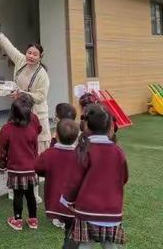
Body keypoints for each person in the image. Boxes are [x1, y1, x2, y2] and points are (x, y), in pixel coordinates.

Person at [62, 104, 128, 248]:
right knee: (110, 245)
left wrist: (67, 200)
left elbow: (74, 180)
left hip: (87, 210)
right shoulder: (118, 151)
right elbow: (124, 178)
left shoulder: (84, 150)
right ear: (109, 125)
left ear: (86, 125)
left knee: (85, 245)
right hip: (112, 211)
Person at [0, 23, 51, 153]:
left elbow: (41, 97)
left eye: (35, 54)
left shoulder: (42, 75)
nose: (31, 56)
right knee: (22, 143)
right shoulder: (21, 60)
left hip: (37, 114)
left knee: (39, 147)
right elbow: (9, 47)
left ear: (40, 57)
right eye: (29, 53)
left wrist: (21, 93)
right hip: (20, 110)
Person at [0, 97, 41, 231]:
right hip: (30, 169)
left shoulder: (6, 129)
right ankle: (33, 220)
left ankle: (17, 220)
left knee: (17, 195)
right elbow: (35, 149)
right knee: (30, 195)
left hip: (15, 170)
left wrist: (2, 165)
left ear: (12, 113)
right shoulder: (32, 129)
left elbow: (1, 150)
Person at [35, 119, 80, 248]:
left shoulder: (49, 154)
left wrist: (48, 174)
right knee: (72, 231)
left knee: (70, 233)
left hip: (56, 203)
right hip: (74, 204)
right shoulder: (80, 155)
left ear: (57, 135)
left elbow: (38, 167)